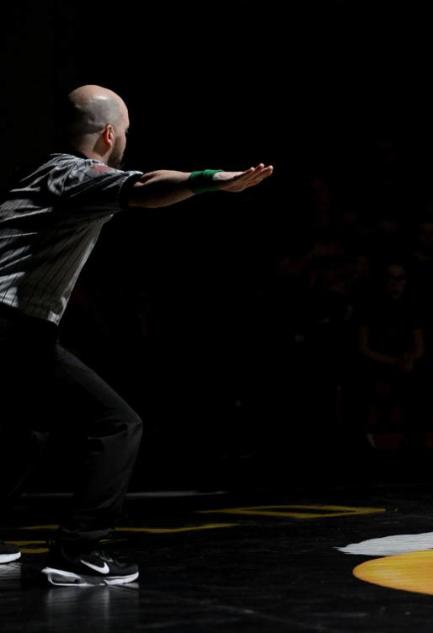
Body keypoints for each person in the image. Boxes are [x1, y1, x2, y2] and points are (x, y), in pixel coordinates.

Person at [0, 85, 273, 585]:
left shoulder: (38, 170)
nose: (126, 138)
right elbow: (147, 186)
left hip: (17, 326)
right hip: (11, 323)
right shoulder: (78, 174)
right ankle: (77, 550)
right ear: (109, 134)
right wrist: (210, 180)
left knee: (28, 426)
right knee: (115, 424)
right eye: (124, 131)